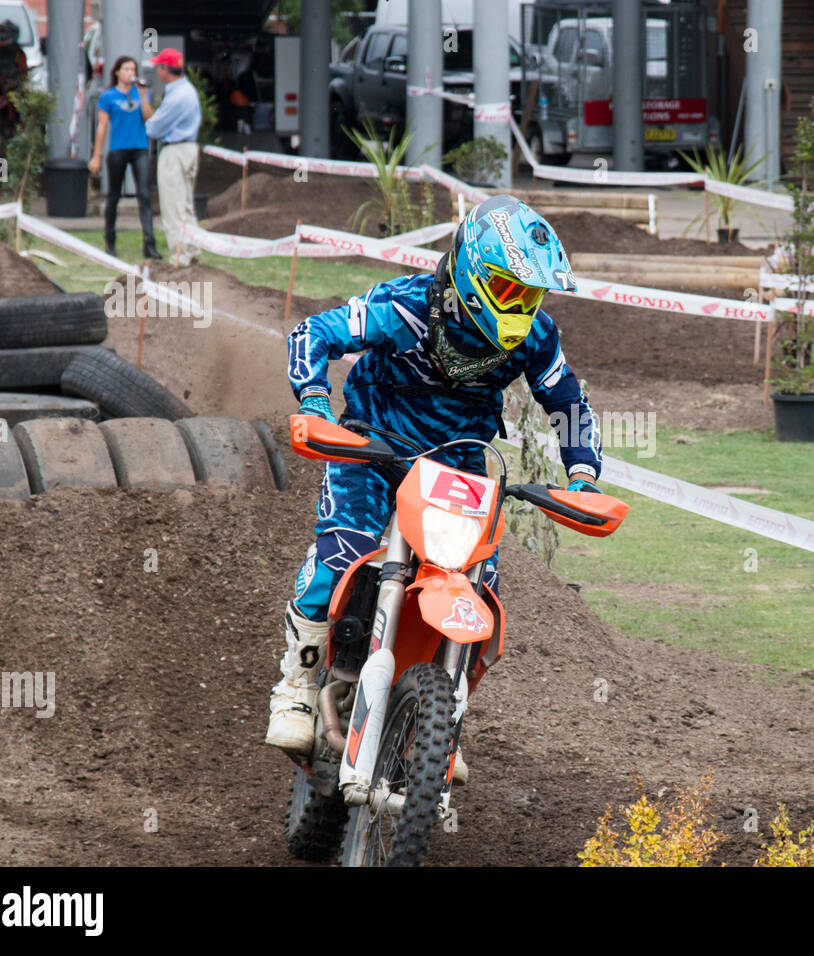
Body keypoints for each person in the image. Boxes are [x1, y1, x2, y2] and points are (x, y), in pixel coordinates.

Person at [265, 195, 603, 771]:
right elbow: (311, 334)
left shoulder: (534, 335)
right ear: (472, 271)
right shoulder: (405, 309)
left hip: (459, 468)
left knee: (480, 592)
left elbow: (568, 400)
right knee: (342, 550)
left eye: (530, 294)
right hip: (373, 446)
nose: (521, 306)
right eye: (509, 290)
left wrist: (584, 478)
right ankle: (295, 685)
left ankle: (441, 723)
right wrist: (317, 402)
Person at [89, 56, 160, 259]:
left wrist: (144, 96)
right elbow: (102, 126)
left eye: (133, 69)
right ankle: (110, 241)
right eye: (126, 69)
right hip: (118, 149)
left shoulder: (140, 93)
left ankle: (149, 243)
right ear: (117, 72)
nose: (130, 73)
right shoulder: (108, 96)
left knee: (145, 196)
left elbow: (149, 117)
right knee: (114, 196)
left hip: (139, 148)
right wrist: (97, 155)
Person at [144, 49, 201, 267]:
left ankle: (180, 255)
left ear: (166, 69)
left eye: (159, 67)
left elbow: (155, 128)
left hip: (175, 151)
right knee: (185, 203)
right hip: (187, 149)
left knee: (173, 205)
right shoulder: (187, 90)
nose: (157, 71)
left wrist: (150, 121)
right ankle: (191, 249)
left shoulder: (177, 95)